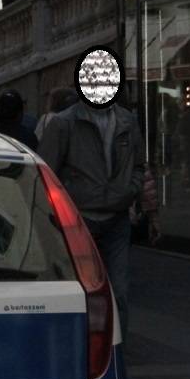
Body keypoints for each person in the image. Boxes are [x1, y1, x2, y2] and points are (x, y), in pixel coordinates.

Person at [39, 95, 145, 338]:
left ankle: (117, 351)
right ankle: (83, 347)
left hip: (116, 218)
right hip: (79, 220)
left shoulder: (126, 121)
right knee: (83, 291)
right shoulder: (65, 123)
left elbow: (138, 164)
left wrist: (130, 190)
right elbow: (46, 171)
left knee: (119, 292)